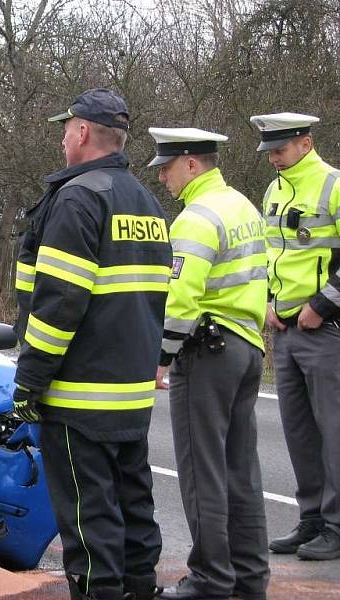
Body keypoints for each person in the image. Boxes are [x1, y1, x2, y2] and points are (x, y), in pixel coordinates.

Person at [12, 88, 171, 600]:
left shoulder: (79, 198)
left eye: (65, 130)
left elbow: (58, 305)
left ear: (81, 133)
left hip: (79, 395)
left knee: (89, 518)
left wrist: (29, 380)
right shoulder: (145, 200)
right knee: (134, 508)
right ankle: (140, 590)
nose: (62, 140)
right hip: (129, 394)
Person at [149, 128, 269, 600]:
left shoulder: (195, 219)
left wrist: (161, 356)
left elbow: (180, 301)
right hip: (245, 345)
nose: (162, 177)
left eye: (166, 166)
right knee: (242, 472)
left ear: (191, 163)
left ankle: (209, 580)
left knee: (202, 473)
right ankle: (249, 579)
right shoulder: (243, 206)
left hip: (206, 353)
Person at [251, 112, 340, 561]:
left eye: (280, 150)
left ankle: (338, 526)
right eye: (269, 152)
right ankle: (312, 520)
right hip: (284, 328)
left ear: (305, 142)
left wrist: (320, 306)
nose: (273, 160)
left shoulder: (333, 184)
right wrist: (268, 299)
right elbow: (271, 253)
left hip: (325, 329)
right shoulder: (273, 190)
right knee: (299, 432)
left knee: (334, 430)